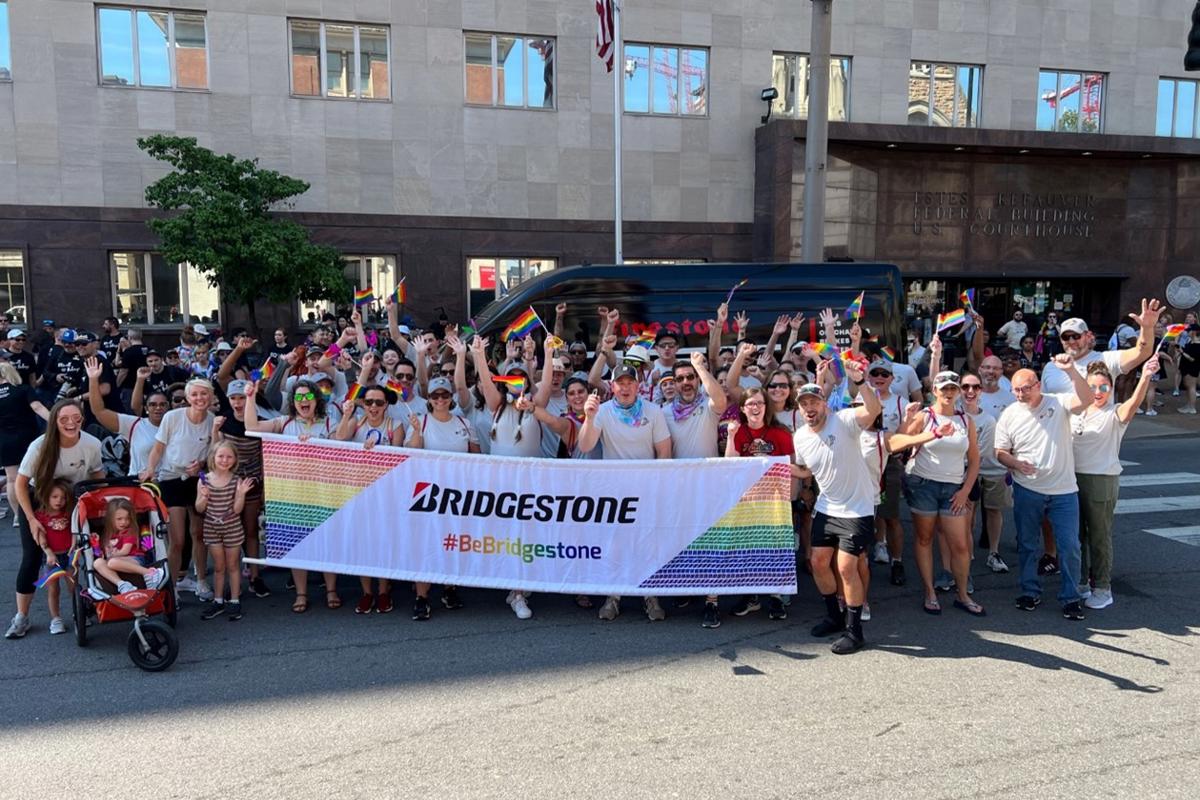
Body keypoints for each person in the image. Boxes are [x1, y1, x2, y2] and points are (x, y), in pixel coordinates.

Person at [792, 359, 881, 655]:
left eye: (813, 401)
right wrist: (780, 469)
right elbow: (807, 471)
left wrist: (860, 382)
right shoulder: (800, 437)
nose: (809, 408)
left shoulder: (843, 420)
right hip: (827, 508)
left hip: (857, 509)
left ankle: (855, 632)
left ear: (824, 403)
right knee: (817, 562)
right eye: (803, 404)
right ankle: (833, 616)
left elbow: (873, 411)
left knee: (846, 567)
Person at [994, 356, 1092, 619]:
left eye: (1026, 388)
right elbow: (1000, 451)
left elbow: (1086, 399)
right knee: (1027, 543)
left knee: (1070, 545)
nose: (1021, 394)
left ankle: (1071, 597)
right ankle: (1029, 591)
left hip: (1063, 490)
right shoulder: (1009, 414)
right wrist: (1014, 462)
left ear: (1037, 385)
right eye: (1016, 389)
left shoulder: (1057, 403)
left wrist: (1070, 370)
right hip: (1028, 489)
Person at [579, 363, 672, 622]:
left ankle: (650, 596)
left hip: (647, 488)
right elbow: (586, 445)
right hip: (615, 491)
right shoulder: (603, 411)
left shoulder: (653, 412)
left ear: (638, 385)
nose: (625, 387)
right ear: (612, 386)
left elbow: (664, 451)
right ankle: (614, 595)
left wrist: (659, 487)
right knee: (615, 545)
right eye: (620, 382)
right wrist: (588, 417)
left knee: (647, 544)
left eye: (630, 382)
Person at [7, 400, 105, 639]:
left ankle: (87, 606)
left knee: (89, 553)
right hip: (38, 501)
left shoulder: (92, 444)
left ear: (83, 419)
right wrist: (30, 518)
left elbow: (97, 476)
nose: (71, 423)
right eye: (64, 419)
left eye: (76, 418)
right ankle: (22, 616)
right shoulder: (40, 446)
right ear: (54, 421)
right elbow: (20, 484)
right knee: (32, 558)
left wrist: (100, 509)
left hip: (72, 501)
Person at [244, 377, 340, 613]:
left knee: (327, 542)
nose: (303, 401)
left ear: (317, 399)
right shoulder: (284, 423)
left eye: (308, 396)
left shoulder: (328, 422)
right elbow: (252, 427)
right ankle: (301, 593)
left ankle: (331, 590)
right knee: (296, 545)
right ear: (293, 402)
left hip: (324, 491)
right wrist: (249, 398)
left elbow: (341, 443)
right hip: (293, 493)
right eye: (299, 397)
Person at [1072, 357, 1159, 610]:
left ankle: (1102, 587)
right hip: (1072, 479)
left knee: (1099, 535)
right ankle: (1080, 582)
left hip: (1101, 480)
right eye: (1092, 387)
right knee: (1076, 536)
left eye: (1103, 388)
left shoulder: (1115, 412)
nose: (1097, 393)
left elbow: (1133, 404)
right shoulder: (1076, 411)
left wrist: (1145, 376)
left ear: (1110, 389)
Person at [899, 371, 984, 617]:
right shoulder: (925, 416)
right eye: (943, 389)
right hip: (924, 484)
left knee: (959, 544)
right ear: (934, 391)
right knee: (924, 538)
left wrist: (965, 490)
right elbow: (900, 440)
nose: (948, 393)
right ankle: (930, 592)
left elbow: (975, 459)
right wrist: (908, 417)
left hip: (954, 488)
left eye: (952, 389)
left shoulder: (966, 420)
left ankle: (963, 595)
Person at [714, 388, 796, 628]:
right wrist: (730, 436)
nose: (755, 407)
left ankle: (776, 596)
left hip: (775, 500)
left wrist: (796, 493)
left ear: (766, 407)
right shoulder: (738, 432)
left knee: (775, 548)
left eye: (760, 403)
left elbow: (792, 464)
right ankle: (751, 595)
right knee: (749, 548)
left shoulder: (780, 433)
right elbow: (730, 463)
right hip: (747, 501)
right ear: (742, 408)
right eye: (750, 403)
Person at [139, 378, 219, 602]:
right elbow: (157, 449)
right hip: (171, 477)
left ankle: (202, 580)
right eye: (195, 394)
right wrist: (150, 469)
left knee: (200, 534)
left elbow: (213, 455)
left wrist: (201, 465)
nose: (200, 399)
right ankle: (172, 587)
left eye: (204, 394)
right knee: (178, 539)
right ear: (187, 397)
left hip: (197, 480)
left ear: (211, 397)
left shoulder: (212, 420)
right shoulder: (172, 417)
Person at [194, 442, 254, 621]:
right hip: (212, 528)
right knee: (219, 567)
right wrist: (204, 497)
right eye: (221, 456)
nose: (224, 460)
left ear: (235, 459)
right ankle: (218, 600)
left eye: (229, 457)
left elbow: (237, 510)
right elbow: (198, 508)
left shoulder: (236, 480)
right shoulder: (204, 480)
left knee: (233, 565)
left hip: (232, 528)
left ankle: (234, 601)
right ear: (213, 457)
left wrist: (241, 494)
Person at [959, 371, 1010, 574]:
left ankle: (993, 552)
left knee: (993, 510)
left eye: (975, 387)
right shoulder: (955, 414)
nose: (970, 391)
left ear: (981, 391)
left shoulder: (988, 420)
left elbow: (978, 453)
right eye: (965, 387)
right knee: (967, 514)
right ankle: (967, 553)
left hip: (991, 468)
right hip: (963, 471)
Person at [85, 357, 165, 477]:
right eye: (153, 405)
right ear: (146, 408)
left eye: (162, 404)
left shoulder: (178, 424)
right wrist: (93, 379)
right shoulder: (135, 424)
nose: (158, 408)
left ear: (169, 407)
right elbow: (99, 411)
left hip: (170, 483)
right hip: (139, 484)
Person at [0, 361, 50, 522]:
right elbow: (37, 407)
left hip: (5, 439)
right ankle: (40, 509)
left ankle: (18, 515)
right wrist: (56, 421)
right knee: (37, 474)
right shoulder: (23, 390)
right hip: (28, 438)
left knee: (12, 478)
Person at [93, 497, 167, 595]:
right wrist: (97, 543)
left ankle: (150, 573)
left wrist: (113, 555)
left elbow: (125, 551)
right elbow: (103, 554)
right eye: (119, 519)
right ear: (110, 519)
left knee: (112, 563)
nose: (123, 522)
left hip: (134, 559)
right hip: (117, 561)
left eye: (127, 519)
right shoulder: (107, 535)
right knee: (97, 563)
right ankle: (123, 585)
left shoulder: (129, 531)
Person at [34, 478, 74, 635]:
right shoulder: (41, 515)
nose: (59, 501)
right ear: (46, 497)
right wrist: (48, 552)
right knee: (53, 589)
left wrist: (74, 545)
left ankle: (78, 611)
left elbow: (74, 531)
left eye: (63, 497)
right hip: (51, 557)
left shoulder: (68, 513)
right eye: (55, 497)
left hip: (68, 554)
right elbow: (41, 537)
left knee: (73, 586)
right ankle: (56, 618)